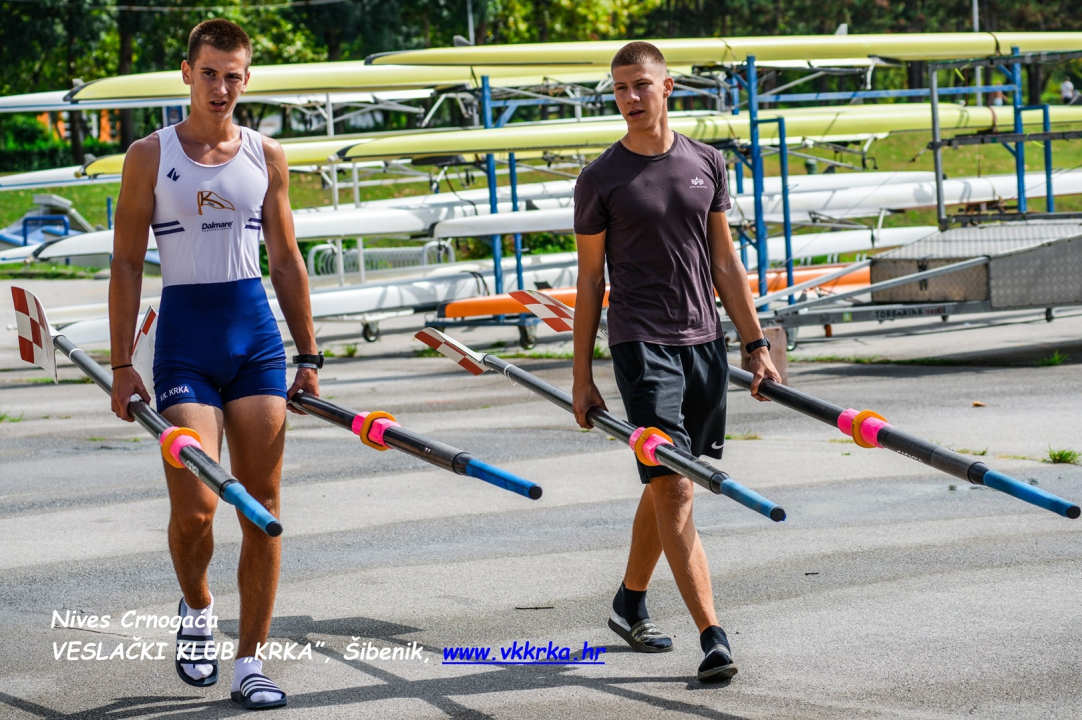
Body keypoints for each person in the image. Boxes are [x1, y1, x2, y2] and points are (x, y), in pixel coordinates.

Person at [108, 18, 320, 711]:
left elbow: (286, 262)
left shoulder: (266, 155)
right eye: (210, 73)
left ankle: (251, 662)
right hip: (185, 344)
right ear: (186, 72)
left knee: (262, 511)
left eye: (234, 75)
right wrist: (120, 364)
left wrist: (309, 354)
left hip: (254, 338)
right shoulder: (149, 155)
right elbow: (126, 264)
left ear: (247, 78)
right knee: (198, 507)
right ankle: (197, 609)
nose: (222, 87)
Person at [571, 41, 782, 683]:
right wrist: (581, 377)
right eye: (619, 89)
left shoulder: (707, 162)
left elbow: (725, 263)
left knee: (667, 484)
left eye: (640, 85)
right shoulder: (600, 178)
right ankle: (712, 636)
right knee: (677, 482)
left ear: (669, 88)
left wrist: (756, 346)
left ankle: (628, 600)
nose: (629, 99)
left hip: (704, 345)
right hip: (641, 346)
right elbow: (588, 285)